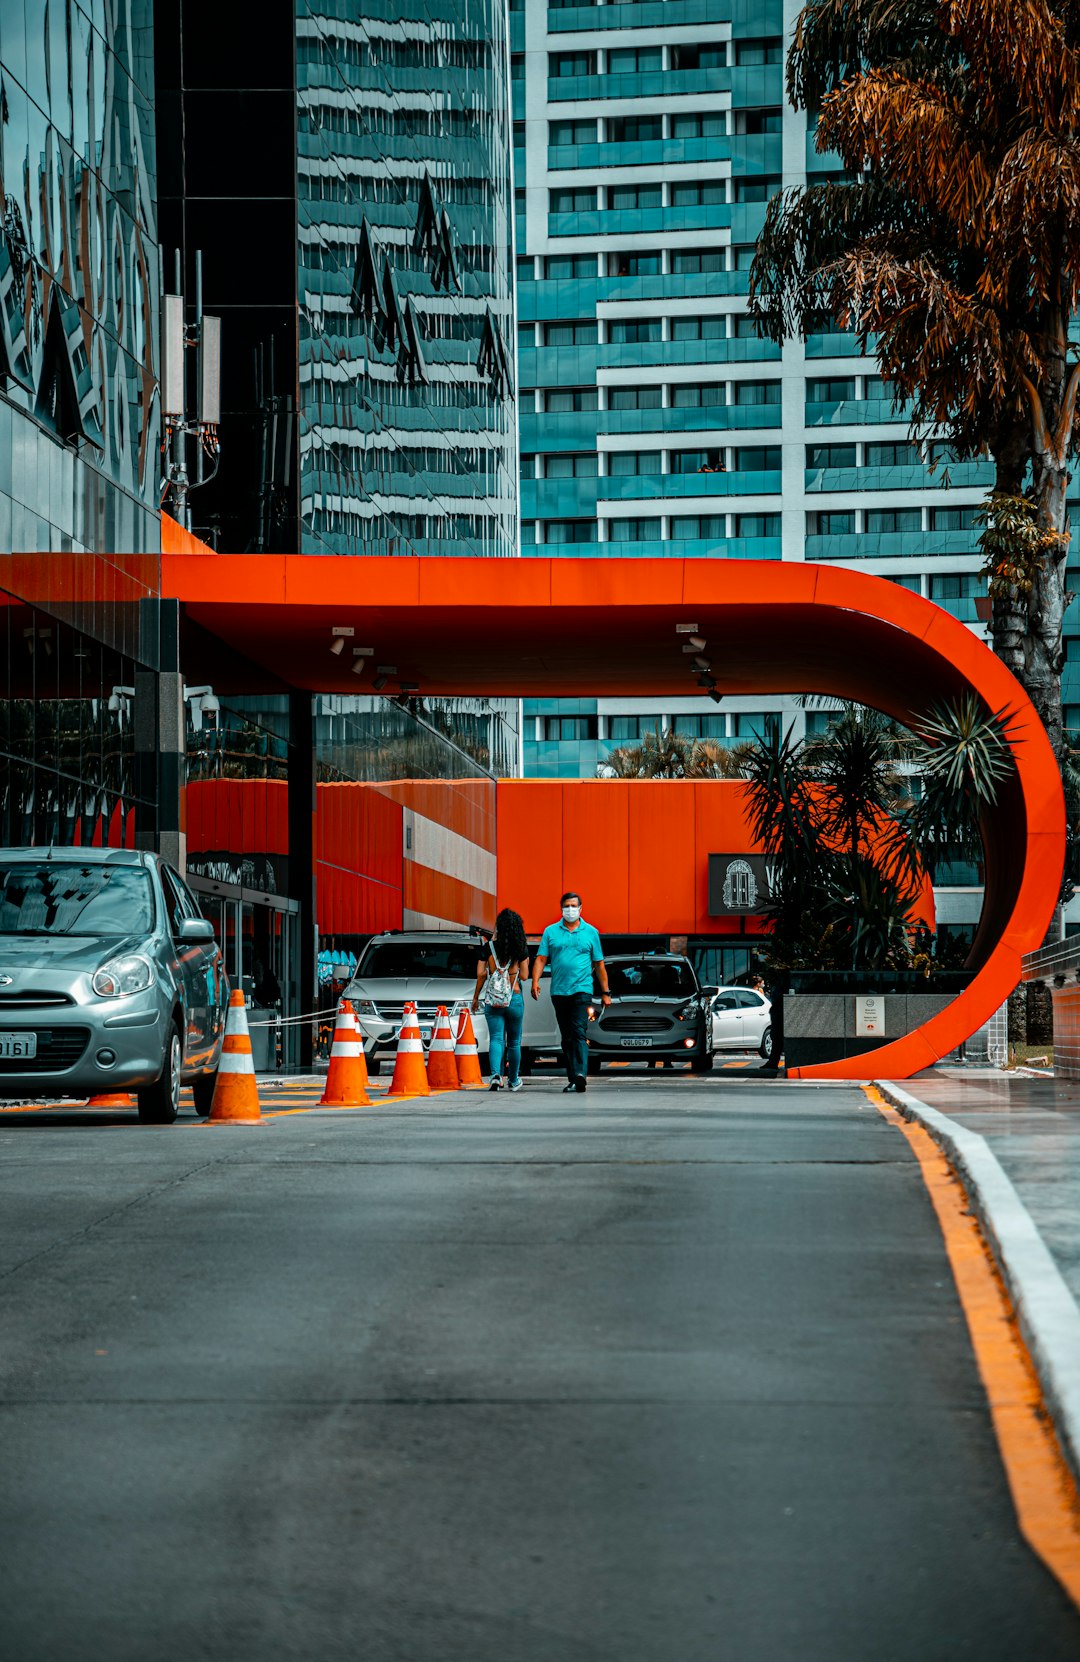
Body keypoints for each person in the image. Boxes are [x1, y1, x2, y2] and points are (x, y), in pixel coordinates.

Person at [530, 890, 611, 1093]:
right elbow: (541, 958)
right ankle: (573, 1076)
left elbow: (599, 964)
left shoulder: (591, 932)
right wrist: (535, 982)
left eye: (574, 906)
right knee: (566, 1037)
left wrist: (606, 992)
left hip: (582, 990)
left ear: (581, 909)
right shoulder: (551, 932)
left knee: (578, 1033)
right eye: (567, 906)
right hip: (559, 992)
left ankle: (581, 1074)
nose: (570, 910)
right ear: (561, 909)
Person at [471, 908, 530, 1092]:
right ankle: (513, 1080)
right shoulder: (520, 948)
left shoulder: (487, 948)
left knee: (496, 1039)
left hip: (493, 1000)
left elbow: (481, 975)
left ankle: (495, 1076)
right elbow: (526, 976)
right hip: (515, 998)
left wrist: (475, 998)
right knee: (514, 1042)